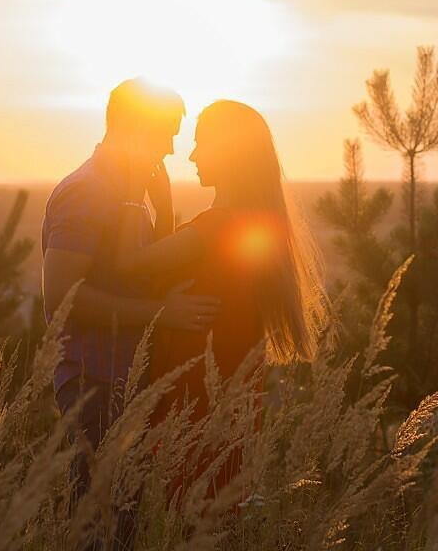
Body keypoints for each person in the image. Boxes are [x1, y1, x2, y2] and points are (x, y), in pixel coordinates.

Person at [114, 99, 328, 503]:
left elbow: (130, 263)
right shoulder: (248, 220)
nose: (192, 155)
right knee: (215, 511)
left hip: (199, 397)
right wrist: (164, 207)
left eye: (200, 143)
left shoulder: (217, 225)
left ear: (228, 154)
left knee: (185, 511)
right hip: (232, 393)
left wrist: (130, 189)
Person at [41, 78, 223, 551]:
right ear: (130, 128)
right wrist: (162, 315)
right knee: (99, 530)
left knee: (123, 529)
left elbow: (139, 274)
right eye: (163, 135)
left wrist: (162, 210)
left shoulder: (128, 190)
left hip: (125, 383)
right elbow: (61, 299)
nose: (168, 149)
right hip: (93, 385)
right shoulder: (87, 191)